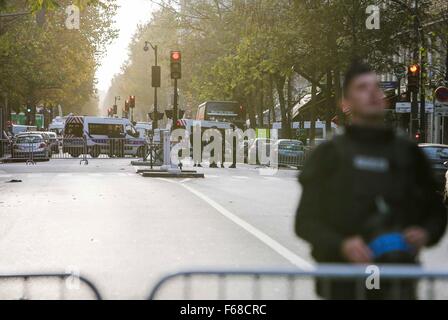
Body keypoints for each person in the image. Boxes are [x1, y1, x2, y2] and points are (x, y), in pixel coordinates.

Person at [295, 61, 447, 300]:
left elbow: (436, 212)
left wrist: (425, 232)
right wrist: (341, 244)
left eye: (375, 87)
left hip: (398, 281)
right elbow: (305, 222)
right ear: (346, 103)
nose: (372, 93)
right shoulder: (329, 154)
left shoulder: (408, 152)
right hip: (343, 283)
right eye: (362, 87)